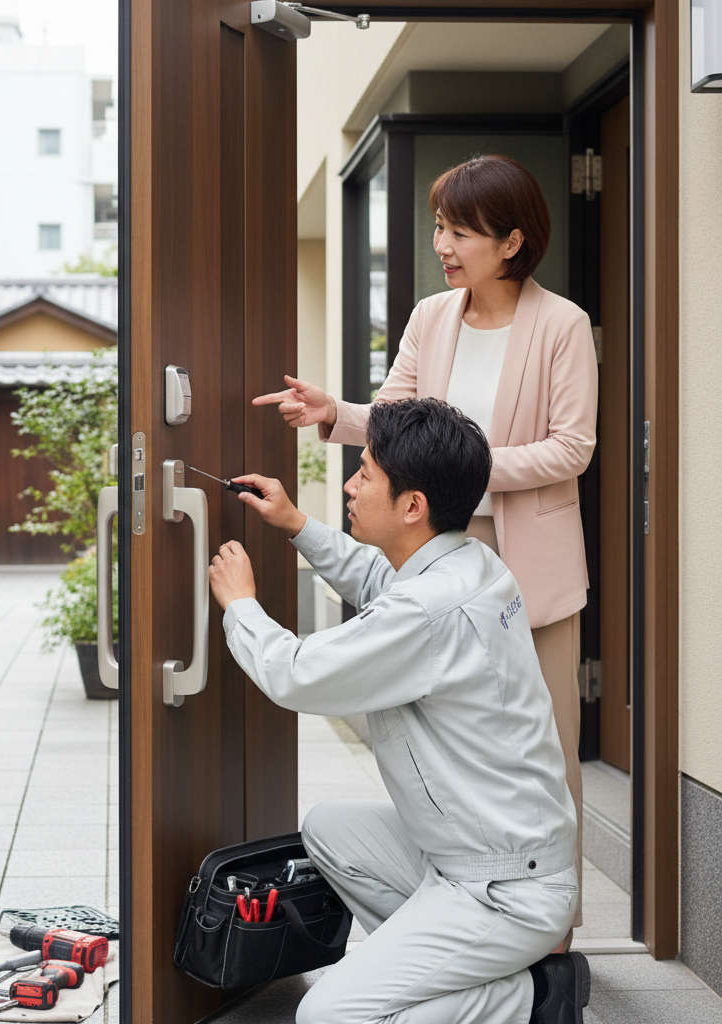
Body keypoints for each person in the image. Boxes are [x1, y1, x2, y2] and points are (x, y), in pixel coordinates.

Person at [253, 154, 596, 940]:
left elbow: (571, 448)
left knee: (547, 755)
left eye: (460, 231)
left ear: (512, 241)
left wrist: (463, 477)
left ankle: (556, 938)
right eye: (439, 225)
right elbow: (399, 420)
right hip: (435, 557)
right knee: (448, 746)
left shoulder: (562, 324)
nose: (442, 243)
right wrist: (332, 411)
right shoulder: (432, 317)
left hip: (530, 571)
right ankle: (467, 909)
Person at [209, 398, 589, 1024]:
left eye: (365, 474)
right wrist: (296, 523)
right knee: (331, 827)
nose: (352, 487)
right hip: (480, 852)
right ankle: (438, 972)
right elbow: (374, 577)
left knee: (327, 1017)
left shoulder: (431, 610)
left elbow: (297, 674)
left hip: (502, 889)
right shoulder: (467, 562)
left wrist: (241, 606)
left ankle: (531, 997)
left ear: (413, 506)